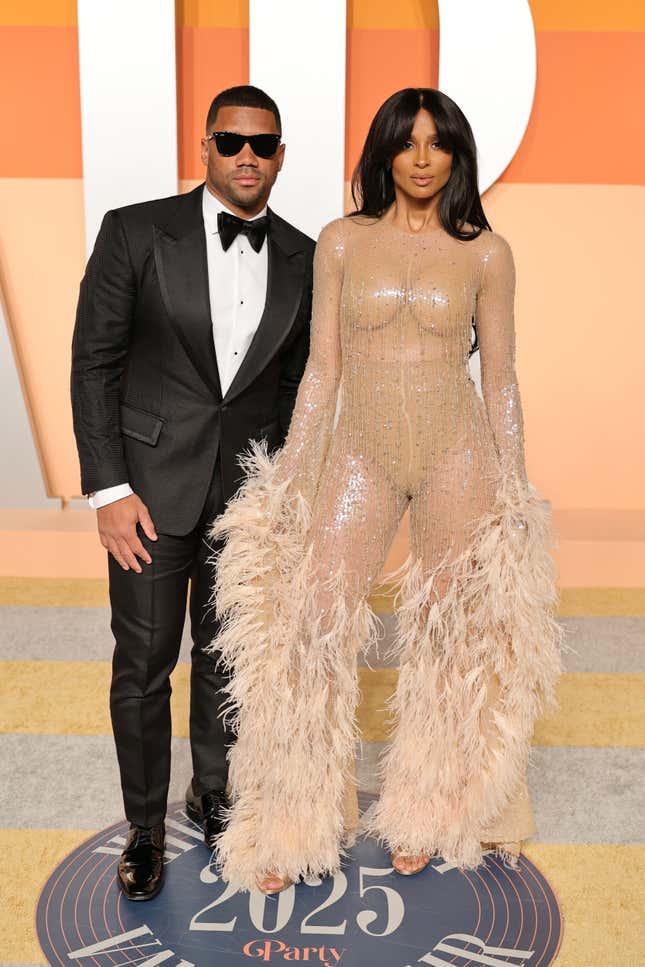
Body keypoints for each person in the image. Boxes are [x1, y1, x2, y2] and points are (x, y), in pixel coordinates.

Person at [210, 88, 563, 894]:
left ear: (456, 155)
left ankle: (430, 815)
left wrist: (512, 487)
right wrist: (291, 478)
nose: (422, 157)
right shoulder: (341, 243)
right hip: (359, 448)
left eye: (438, 144)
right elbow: (322, 372)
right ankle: (293, 821)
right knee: (314, 622)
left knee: (448, 640)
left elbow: (499, 377)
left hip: (456, 448)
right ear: (384, 151)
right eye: (406, 143)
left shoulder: (485, 253)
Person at [70, 85, 315, 900]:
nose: (247, 155)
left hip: (244, 501)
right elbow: (94, 363)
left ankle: (213, 794)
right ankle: (143, 825)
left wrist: (276, 493)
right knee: (143, 665)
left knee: (225, 660)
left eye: (264, 143)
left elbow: (290, 387)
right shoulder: (135, 231)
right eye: (231, 141)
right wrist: (108, 488)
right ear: (204, 147)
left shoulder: (304, 256)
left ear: (280, 155)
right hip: (145, 493)